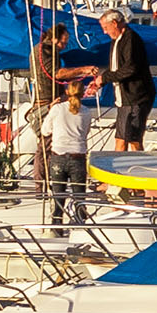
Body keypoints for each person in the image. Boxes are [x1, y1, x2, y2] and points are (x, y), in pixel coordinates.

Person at [103, 4, 156, 156]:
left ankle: (136, 172)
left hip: (135, 98)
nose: (104, 32)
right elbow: (116, 68)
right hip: (124, 99)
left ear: (115, 23)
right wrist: (101, 79)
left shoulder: (131, 39)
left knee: (134, 140)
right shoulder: (117, 40)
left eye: (106, 27)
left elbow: (130, 68)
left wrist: (105, 78)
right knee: (121, 140)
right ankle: (116, 174)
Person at [44, 73, 92, 232]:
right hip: (77, 156)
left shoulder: (57, 109)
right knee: (79, 197)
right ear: (82, 93)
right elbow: (85, 133)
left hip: (58, 157)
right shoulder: (86, 112)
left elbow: (45, 131)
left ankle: (56, 227)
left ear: (67, 91)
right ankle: (80, 228)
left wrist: (51, 110)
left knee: (58, 195)